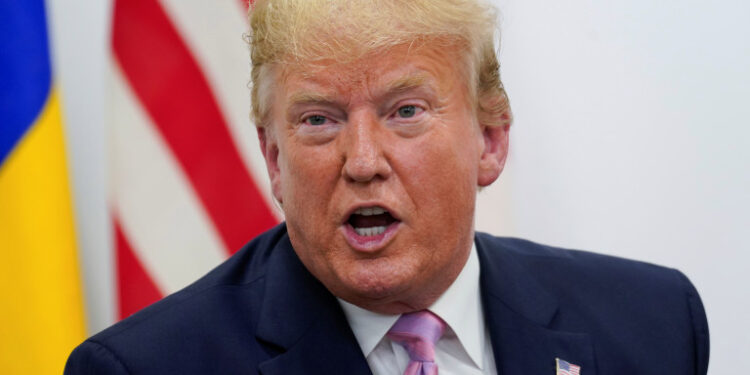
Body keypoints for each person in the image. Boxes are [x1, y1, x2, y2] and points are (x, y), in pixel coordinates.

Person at [65, 0, 709, 374]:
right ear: (274, 160)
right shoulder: (146, 371)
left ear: (490, 138)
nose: (364, 161)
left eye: (406, 111)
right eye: (319, 120)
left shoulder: (651, 324)